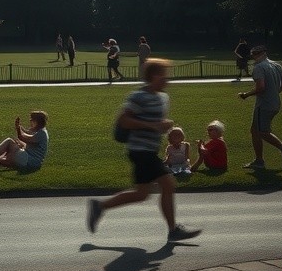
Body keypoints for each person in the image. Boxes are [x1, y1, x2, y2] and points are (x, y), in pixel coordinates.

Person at [86, 58, 202, 242]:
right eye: (165, 75)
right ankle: (173, 231)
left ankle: (100, 206)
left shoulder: (163, 97)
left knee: (141, 194)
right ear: (155, 76)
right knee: (168, 184)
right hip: (140, 150)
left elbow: (157, 124)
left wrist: (164, 125)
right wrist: (153, 125)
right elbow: (124, 120)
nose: (167, 80)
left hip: (149, 151)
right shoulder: (138, 96)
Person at [238, 45, 282, 169]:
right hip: (275, 103)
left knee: (261, 132)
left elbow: (261, 87)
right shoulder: (276, 65)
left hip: (263, 105)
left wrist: (246, 95)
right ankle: (259, 160)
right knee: (255, 130)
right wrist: (275, 92)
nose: (253, 56)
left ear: (257, 54)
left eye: (254, 54)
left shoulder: (259, 67)